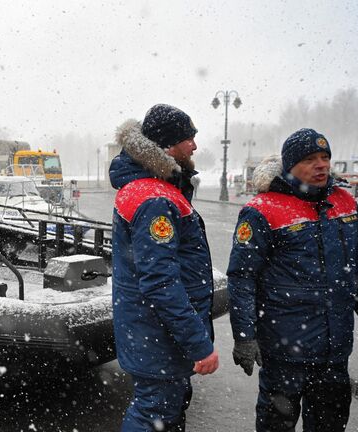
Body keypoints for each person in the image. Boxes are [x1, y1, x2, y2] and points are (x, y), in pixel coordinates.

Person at [227, 128, 358, 432]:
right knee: (277, 425)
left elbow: (354, 266)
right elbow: (242, 279)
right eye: (310, 159)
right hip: (285, 350)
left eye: (325, 157)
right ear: (290, 166)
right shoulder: (262, 211)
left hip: (334, 350)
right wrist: (244, 336)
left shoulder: (344, 203)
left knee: (330, 425)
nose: (322, 165)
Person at [110, 104, 219, 431]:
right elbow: (160, 283)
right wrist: (199, 344)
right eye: (189, 138)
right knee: (154, 415)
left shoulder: (150, 189)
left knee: (162, 414)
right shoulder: (156, 198)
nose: (195, 146)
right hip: (157, 338)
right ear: (169, 147)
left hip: (150, 333)